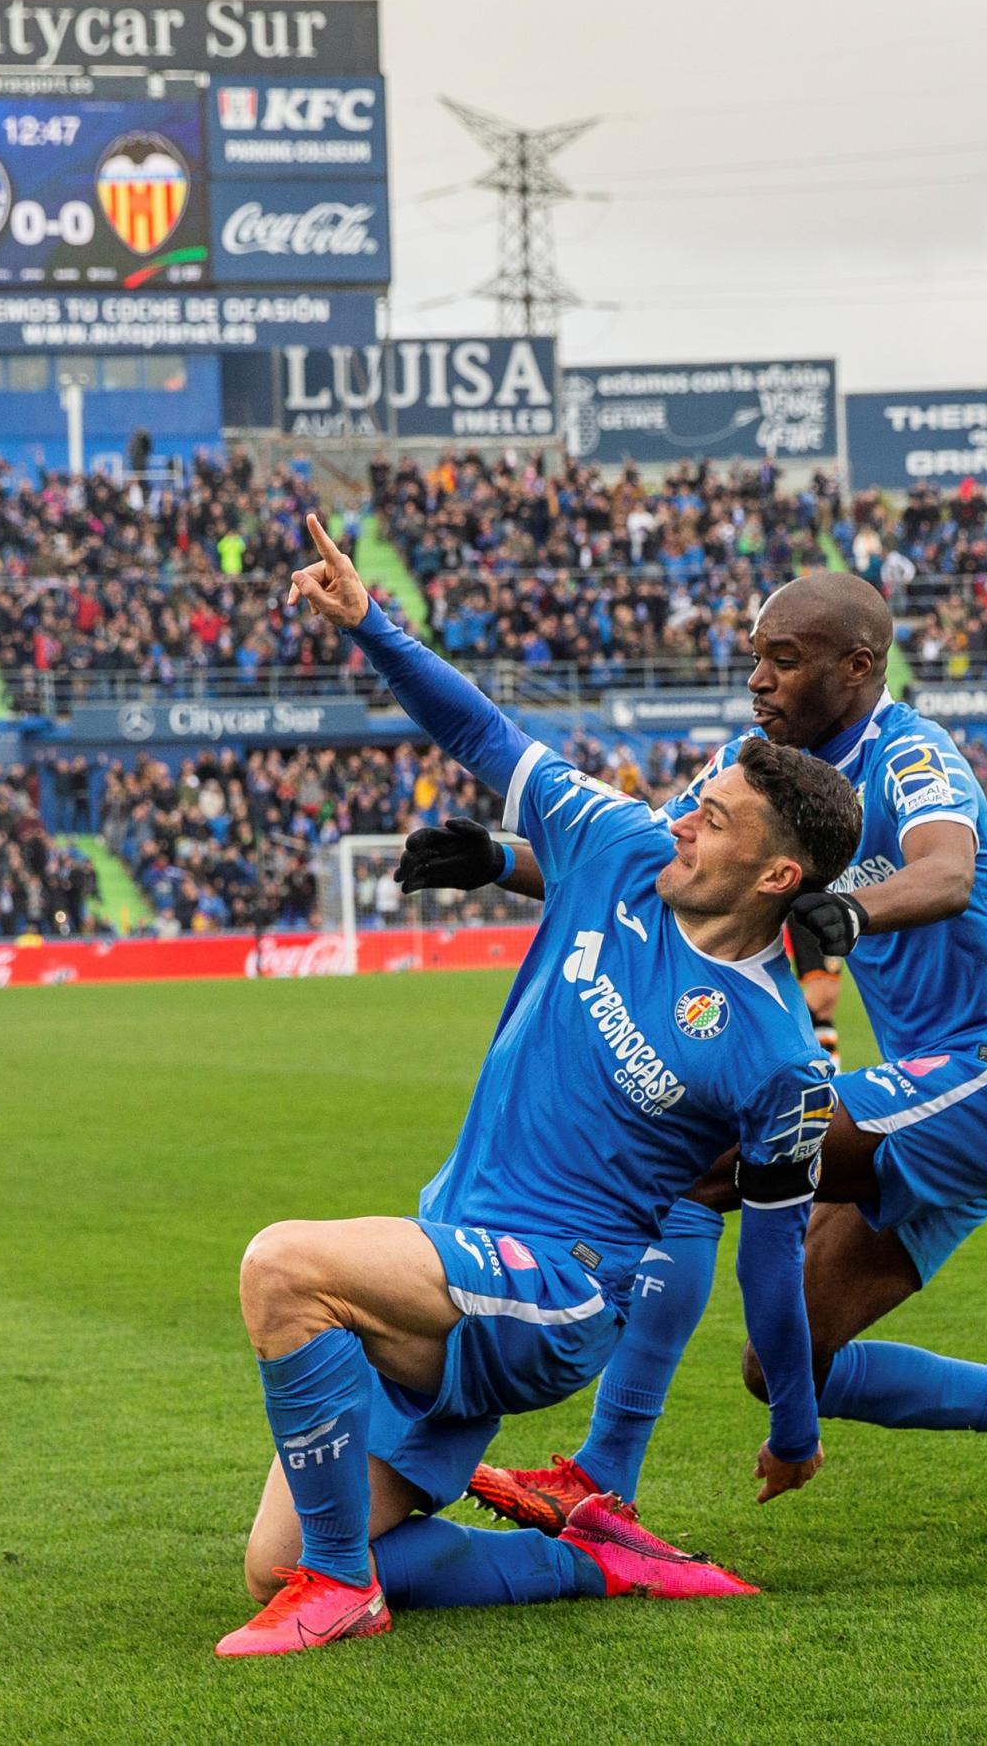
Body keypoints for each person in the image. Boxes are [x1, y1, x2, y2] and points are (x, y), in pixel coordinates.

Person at [217, 518, 863, 1660]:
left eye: (709, 820)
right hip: (454, 1245)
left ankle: (337, 1590)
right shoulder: (615, 845)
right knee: (263, 1553)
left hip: (555, 1294)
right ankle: (583, 1560)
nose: (679, 818)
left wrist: (796, 1429)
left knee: (282, 1266)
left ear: (774, 873)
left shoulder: (776, 1054)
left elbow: (771, 1254)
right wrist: (373, 626)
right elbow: (483, 730)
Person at [406, 572, 987, 1536]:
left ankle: (603, 1474)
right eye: (756, 653)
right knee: (787, 1362)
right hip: (915, 1103)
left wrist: (851, 907)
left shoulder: (910, 754)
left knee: (694, 1161)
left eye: (784, 659)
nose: (758, 676)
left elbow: (946, 870)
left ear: (858, 666)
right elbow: (659, 859)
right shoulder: (756, 765)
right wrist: (500, 859)